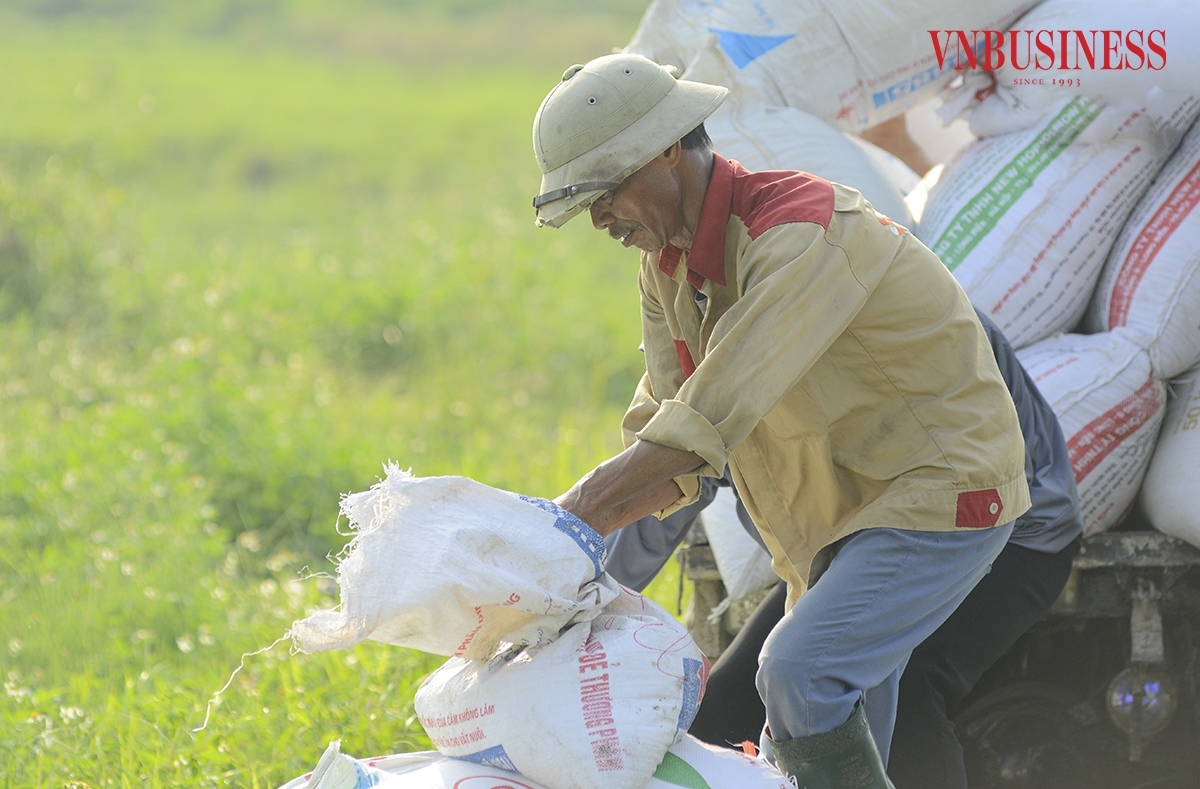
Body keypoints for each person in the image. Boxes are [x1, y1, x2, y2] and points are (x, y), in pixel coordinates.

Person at [531, 53, 1032, 788]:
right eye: (588, 203)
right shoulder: (667, 265)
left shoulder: (798, 232)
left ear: (669, 148)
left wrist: (561, 524)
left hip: (938, 494)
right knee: (811, 737)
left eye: (606, 190)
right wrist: (555, 586)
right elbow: (663, 434)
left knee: (800, 671)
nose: (600, 217)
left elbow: (707, 415)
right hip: (839, 521)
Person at [606, 307, 1083, 789]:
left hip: (983, 528)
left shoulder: (846, 296)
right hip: (854, 549)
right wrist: (581, 598)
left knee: (890, 681)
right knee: (724, 713)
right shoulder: (706, 315)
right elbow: (670, 475)